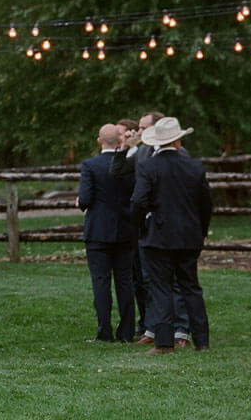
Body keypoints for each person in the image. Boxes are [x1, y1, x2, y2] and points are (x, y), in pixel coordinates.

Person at [130, 116, 213, 353]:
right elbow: (206, 204)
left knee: (161, 288)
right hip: (189, 235)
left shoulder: (148, 167)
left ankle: (164, 342)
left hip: (158, 235)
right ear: (177, 141)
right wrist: (202, 230)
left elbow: (137, 201)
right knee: (191, 287)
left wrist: (140, 228)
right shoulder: (195, 167)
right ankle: (202, 341)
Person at [78, 123, 136, 342]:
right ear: (120, 141)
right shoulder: (130, 165)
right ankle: (127, 331)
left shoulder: (90, 165)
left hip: (98, 231)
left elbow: (85, 199)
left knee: (101, 282)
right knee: (125, 281)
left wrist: (80, 202)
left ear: (99, 141)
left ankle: (104, 331)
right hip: (124, 228)